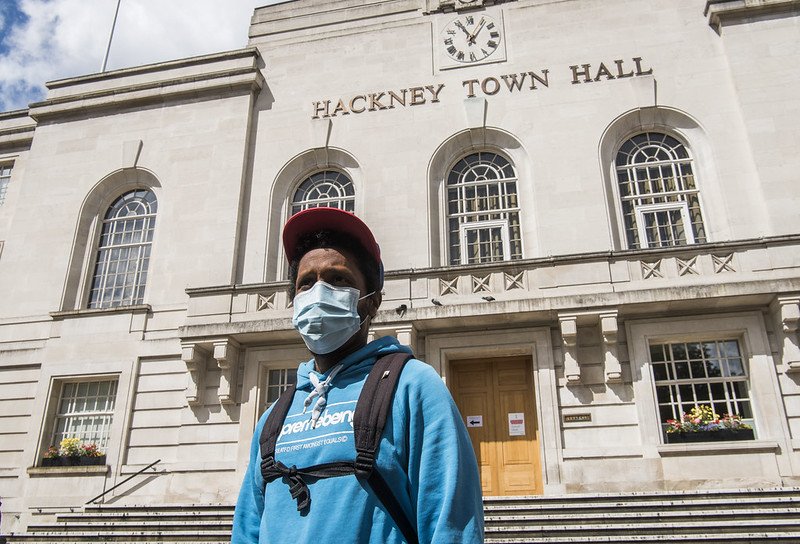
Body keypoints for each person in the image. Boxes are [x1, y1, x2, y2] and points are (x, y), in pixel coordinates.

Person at [231, 207, 484, 544]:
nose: (318, 292)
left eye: (339, 279)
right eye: (306, 283)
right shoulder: (273, 417)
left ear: (372, 302)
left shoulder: (414, 388)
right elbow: (247, 531)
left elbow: (451, 526)